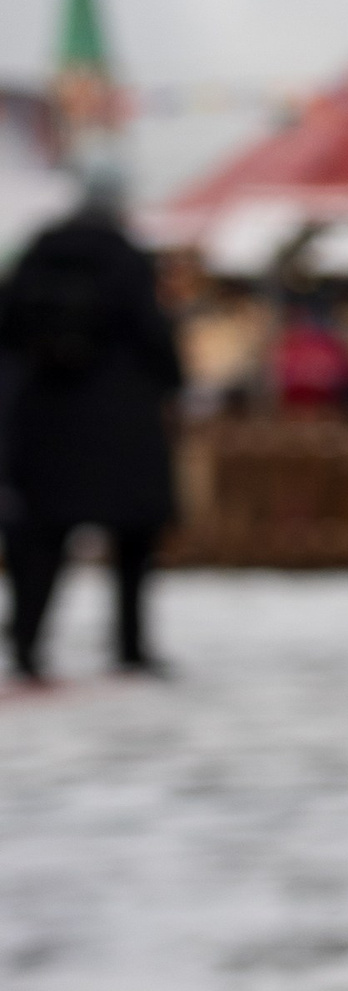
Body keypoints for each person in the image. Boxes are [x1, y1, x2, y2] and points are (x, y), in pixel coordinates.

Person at [0, 187, 183, 683]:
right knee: (133, 543)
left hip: (45, 423)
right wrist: (171, 382)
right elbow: (156, 338)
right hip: (123, 424)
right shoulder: (127, 262)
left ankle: (27, 641)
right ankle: (130, 645)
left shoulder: (34, 261)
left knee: (41, 542)